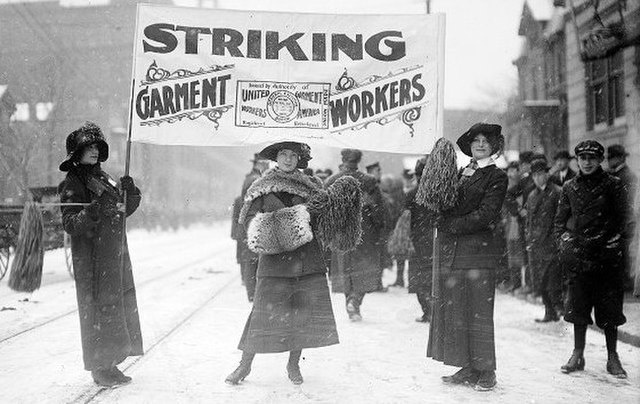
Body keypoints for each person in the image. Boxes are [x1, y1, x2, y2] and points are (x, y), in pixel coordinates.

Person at [226, 141, 343, 385]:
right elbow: (247, 221)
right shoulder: (262, 188)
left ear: (299, 160)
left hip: (306, 261)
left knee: (301, 315)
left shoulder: (313, 187)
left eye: (293, 155)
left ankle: (293, 365)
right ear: (275, 158)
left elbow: (323, 224)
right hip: (274, 263)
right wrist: (290, 223)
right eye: (283, 154)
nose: (288, 159)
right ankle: (244, 365)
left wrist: (321, 213)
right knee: (261, 315)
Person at [58, 122, 143, 387]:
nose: (94, 151)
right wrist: (92, 211)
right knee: (97, 312)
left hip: (114, 255)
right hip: (93, 259)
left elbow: (120, 211)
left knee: (116, 308)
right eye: (88, 147)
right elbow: (71, 224)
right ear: (77, 152)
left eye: (97, 146)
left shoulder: (105, 178)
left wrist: (131, 194)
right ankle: (99, 367)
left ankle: (113, 362)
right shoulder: (71, 183)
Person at [427, 123, 508, 391]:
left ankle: (487, 371)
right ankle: (469, 366)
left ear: (494, 145)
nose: (481, 144)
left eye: (486, 140)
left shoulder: (496, 176)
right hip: (456, 253)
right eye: (476, 141)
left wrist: (451, 224)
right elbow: (451, 204)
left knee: (480, 312)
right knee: (460, 311)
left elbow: (486, 214)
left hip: (479, 253)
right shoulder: (463, 173)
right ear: (470, 146)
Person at [554, 140, 630, 379]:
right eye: (582, 158)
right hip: (580, 257)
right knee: (578, 308)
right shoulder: (569, 187)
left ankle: (612, 356)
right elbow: (559, 224)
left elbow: (626, 221)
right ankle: (578, 353)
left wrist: (615, 244)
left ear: (600, 160)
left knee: (610, 312)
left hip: (607, 260)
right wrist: (567, 246)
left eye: (592, 158)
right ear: (577, 160)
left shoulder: (614, 185)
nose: (587, 163)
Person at [326, 149, 385, 321]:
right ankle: (355, 300)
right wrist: (379, 225)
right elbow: (379, 211)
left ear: (342, 160)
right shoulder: (369, 181)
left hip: (340, 232)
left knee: (345, 270)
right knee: (364, 270)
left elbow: (324, 210)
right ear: (358, 161)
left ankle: (351, 304)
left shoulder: (331, 181)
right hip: (364, 232)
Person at [525, 159, 563, 322]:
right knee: (541, 281)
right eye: (535, 175)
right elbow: (529, 221)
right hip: (537, 245)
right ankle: (549, 312)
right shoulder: (532, 195)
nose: (538, 178)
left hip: (552, 243)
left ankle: (558, 308)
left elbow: (562, 218)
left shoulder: (557, 192)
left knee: (553, 280)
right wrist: (529, 239)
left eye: (541, 174)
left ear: (547, 174)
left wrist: (558, 239)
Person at [235, 154, 269, 302]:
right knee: (253, 259)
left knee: (251, 259)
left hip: (249, 223)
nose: (268, 166)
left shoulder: (250, 178)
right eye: (266, 163)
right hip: (252, 223)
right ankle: (253, 294)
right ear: (260, 163)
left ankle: (253, 293)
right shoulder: (255, 180)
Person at [405, 157, 433, 322]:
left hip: (417, 241)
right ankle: (435, 310)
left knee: (418, 279)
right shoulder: (439, 193)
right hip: (436, 240)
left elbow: (405, 220)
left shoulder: (411, 194)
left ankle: (427, 311)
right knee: (434, 277)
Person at [606, 144, 638, 292]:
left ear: (619, 158)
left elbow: (629, 203)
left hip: (625, 222)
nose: (608, 161)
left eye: (611, 158)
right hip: (619, 221)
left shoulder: (626, 176)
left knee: (625, 254)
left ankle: (627, 283)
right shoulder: (619, 174)